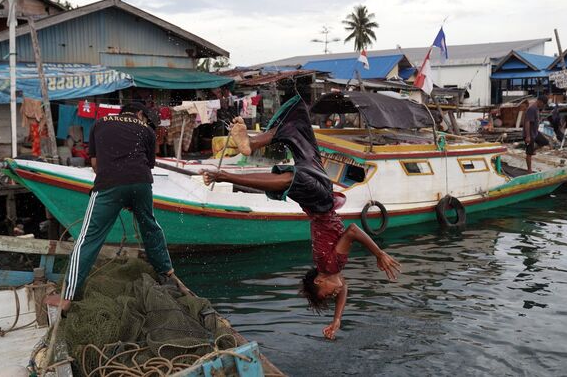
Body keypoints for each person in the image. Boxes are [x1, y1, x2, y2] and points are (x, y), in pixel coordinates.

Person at [201, 96, 401, 340]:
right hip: (319, 203)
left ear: (319, 281)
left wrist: (379, 254)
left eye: (326, 294)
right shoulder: (331, 270)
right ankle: (251, 143)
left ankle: (228, 175)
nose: (333, 293)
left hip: (321, 203)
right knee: (299, 127)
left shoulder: (330, 266)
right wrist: (337, 319)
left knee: (292, 178)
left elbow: (352, 231)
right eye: (331, 296)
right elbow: (343, 288)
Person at [45, 102, 178, 311]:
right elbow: (144, 165)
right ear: (140, 114)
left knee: (88, 239)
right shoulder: (147, 130)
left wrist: (116, 192)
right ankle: (167, 272)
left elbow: (96, 164)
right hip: (141, 183)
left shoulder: (100, 123)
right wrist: (130, 198)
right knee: (150, 225)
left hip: (109, 184)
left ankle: (67, 298)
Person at [523, 95, 550, 173]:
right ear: (540, 102)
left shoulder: (537, 109)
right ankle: (529, 169)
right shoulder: (532, 109)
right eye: (543, 104)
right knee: (529, 153)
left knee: (545, 142)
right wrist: (528, 136)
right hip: (529, 134)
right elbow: (527, 122)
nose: (543, 106)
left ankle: (533, 150)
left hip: (535, 133)